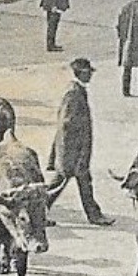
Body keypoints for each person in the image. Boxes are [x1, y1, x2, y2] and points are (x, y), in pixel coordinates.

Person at [49, 58, 115, 226]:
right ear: (80, 73)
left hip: (73, 150)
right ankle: (94, 216)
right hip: (73, 150)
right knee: (73, 181)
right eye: (88, 73)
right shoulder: (73, 93)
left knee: (65, 182)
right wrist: (73, 152)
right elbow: (66, 124)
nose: (90, 76)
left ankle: (93, 215)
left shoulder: (77, 90)